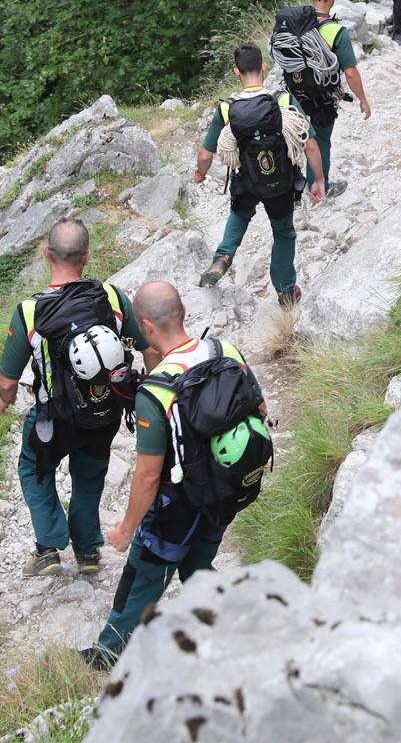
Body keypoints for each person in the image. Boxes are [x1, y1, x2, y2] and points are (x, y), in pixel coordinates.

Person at [80, 280, 268, 670]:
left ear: (146, 327)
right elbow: (260, 409)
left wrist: (126, 528)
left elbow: (149, 475)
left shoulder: (155, 390)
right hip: (225, 489)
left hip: (176, 506)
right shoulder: (225, 351)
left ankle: (109, 654)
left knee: (143, 575)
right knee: (197, 563)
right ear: (184, 312)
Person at [0, 218, 155, 578]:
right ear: (87, 257)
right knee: (90, 474)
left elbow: (7, 380)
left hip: (54, 418)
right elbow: (148, 349)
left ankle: (49, 548)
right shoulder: (112, 297)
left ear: (46, 254)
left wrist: (4, 402)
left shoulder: (29, 312)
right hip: (104, 409)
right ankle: (87, 551)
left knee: (34, 468)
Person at [194, 42, 325, 308]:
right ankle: (286, 291)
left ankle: (222, 258)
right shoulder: (283, 100)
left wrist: (199, 174)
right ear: (264, 66)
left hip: (246, 180)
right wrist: (319, 180)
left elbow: (206, 155)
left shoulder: (227, 109)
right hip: (280, 181)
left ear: (236, 71)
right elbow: (310, 144)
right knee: (283, 233)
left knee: (240, 214)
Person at [280, 0, 371, 200]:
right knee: (320, 140)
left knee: (293, 137)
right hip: (323, 97)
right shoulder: (336, 32)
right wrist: (362, 99)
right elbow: (350, 72)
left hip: (294, 92)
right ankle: (319, 186)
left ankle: (290, 188)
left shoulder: (293, 25)